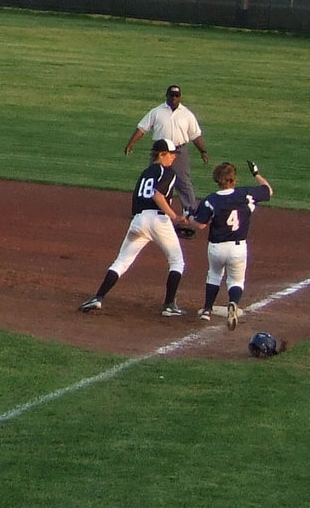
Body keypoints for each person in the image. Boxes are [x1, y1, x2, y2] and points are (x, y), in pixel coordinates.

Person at [80, 138, 190, 317]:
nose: (174, 158)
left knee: (122, 261)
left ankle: (98, 297)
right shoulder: (168, 173)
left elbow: (137, 201)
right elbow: (158, 196)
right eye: (171, 154)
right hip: (158, 219)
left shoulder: (146, 173)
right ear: (161, 154)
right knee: (177, 261)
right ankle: (169, 305)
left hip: (138, 220)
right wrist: (175, 217)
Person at [189, 160, 273, 330]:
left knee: (214, 275)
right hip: (237, 247)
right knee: (236, 280)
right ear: (234, 179)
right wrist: (256, 174)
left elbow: (200, 225)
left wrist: (189, 217)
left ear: (216, 180)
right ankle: (233, 302)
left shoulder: (211, 199)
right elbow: (268, 191)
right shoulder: (246, 194)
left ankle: (207, 310)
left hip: (216, 247)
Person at [124, 85, 209, 220]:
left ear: (180, 97)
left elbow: (195, 135)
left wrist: (203, 151)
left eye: (176, 96)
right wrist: (132, 142)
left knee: (183, 182)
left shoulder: (187, 114)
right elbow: (142, 128)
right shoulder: (157, 111)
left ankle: (190, 212)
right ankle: (144, 208)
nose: (174, 98)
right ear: (167, 96)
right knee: (153, 179)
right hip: (160, 152)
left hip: (178, 151)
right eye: (171, 95)